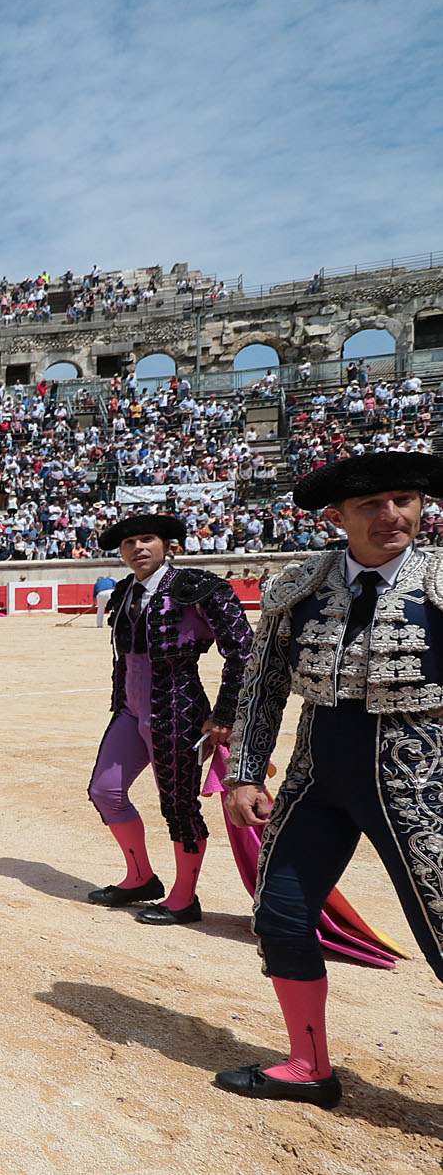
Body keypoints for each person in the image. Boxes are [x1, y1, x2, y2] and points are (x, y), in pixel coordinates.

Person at [216, 451, 443, 1108]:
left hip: (423, 785)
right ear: (337, 516)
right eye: (371, 504)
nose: (392, 514)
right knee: (281, 917)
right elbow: (263, 688)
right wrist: (245, 774)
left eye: (404, 498)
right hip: (318, 782)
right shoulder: (299, 587)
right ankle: (309, 1064)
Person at [84, 514, 252, 926]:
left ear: (167, 545)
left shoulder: (198, 587)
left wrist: (224, 714)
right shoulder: (124, 592)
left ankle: (184, 898)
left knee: (178, 805)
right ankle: (140, 877)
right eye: (129, 543)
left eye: (146, 540)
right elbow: (122, 659)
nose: (137, 548)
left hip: (177, 707)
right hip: (130, 707)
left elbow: (244, 652)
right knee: (105, 790)